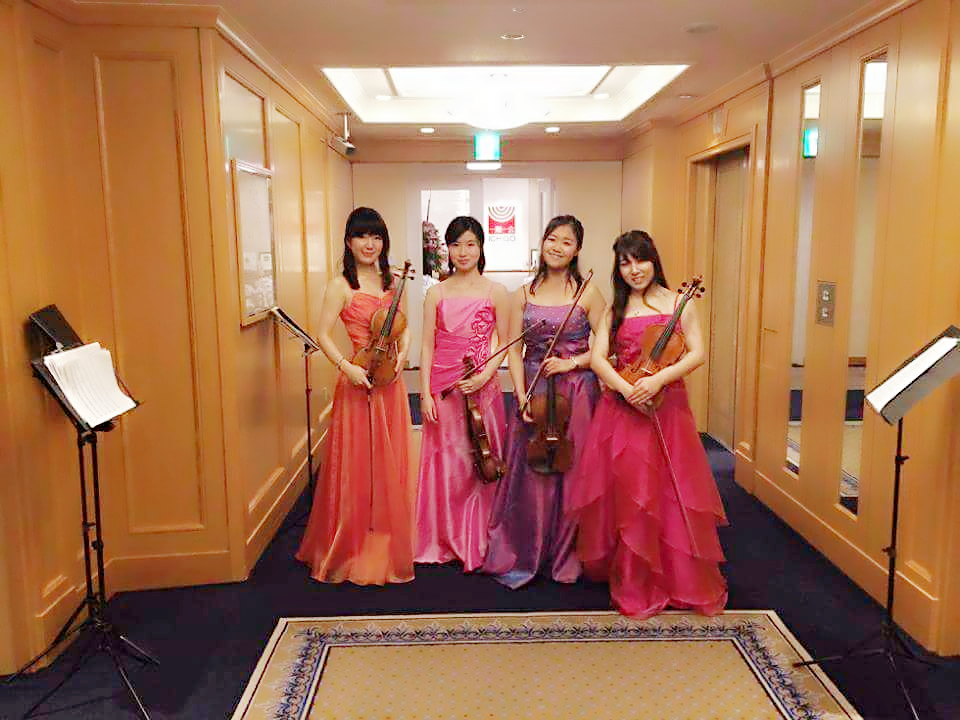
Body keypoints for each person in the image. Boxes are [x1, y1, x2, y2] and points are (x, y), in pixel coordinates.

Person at [567, 230, 727, 618]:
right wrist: (627, 389)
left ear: (654, 261)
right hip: (623, 410)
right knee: (632, 492)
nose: (634, 269)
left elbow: (697, 353)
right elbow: (598, 358)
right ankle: (635, 578)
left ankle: (678, 578)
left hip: (667, 407)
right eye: (625, 263)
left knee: (671, 489)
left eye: (640, 260)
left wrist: (657, 381)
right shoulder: (615, 310)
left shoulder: (679, 303)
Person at [483, 215, 605, 588]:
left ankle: (569, 553)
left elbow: (607, 348)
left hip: (578, 392)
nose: (557, 247)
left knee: (573, 471)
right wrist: (521, 395)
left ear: (577, 250)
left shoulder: (588, 293)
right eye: (552, 238)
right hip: (535, 391)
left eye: (567, 241)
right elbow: (514, 350)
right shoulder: (523, 294)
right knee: (534, 475)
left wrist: (572, 362)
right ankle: (532, 549)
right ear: (543, 242)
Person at [295, 207, 414, 585]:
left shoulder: (393, 282)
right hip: (358, 378)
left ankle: (384, 530)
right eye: (362, 236)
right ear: (349, 241)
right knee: (358, 461)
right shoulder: (341, 286)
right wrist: (347, 368)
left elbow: (404, 327)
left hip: (390, 382)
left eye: (376, 237)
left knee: (389, 458)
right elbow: (322, 334)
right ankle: (353, 537)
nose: (369, 243)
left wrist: (403, 356)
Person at [415, 217, 510, 571]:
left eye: (470, 244)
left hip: (482, 385)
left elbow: (505, 342)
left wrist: (485, 375)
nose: (463, 252)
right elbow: (427, 345)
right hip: (443, 386)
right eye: (455, 245)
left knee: (480, 459)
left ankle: (480, 534)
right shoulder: (435, 293)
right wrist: (424, 393)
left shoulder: (496, 291)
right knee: (448, 463)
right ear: (447, 250)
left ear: (481, 247)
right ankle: (444, 536)